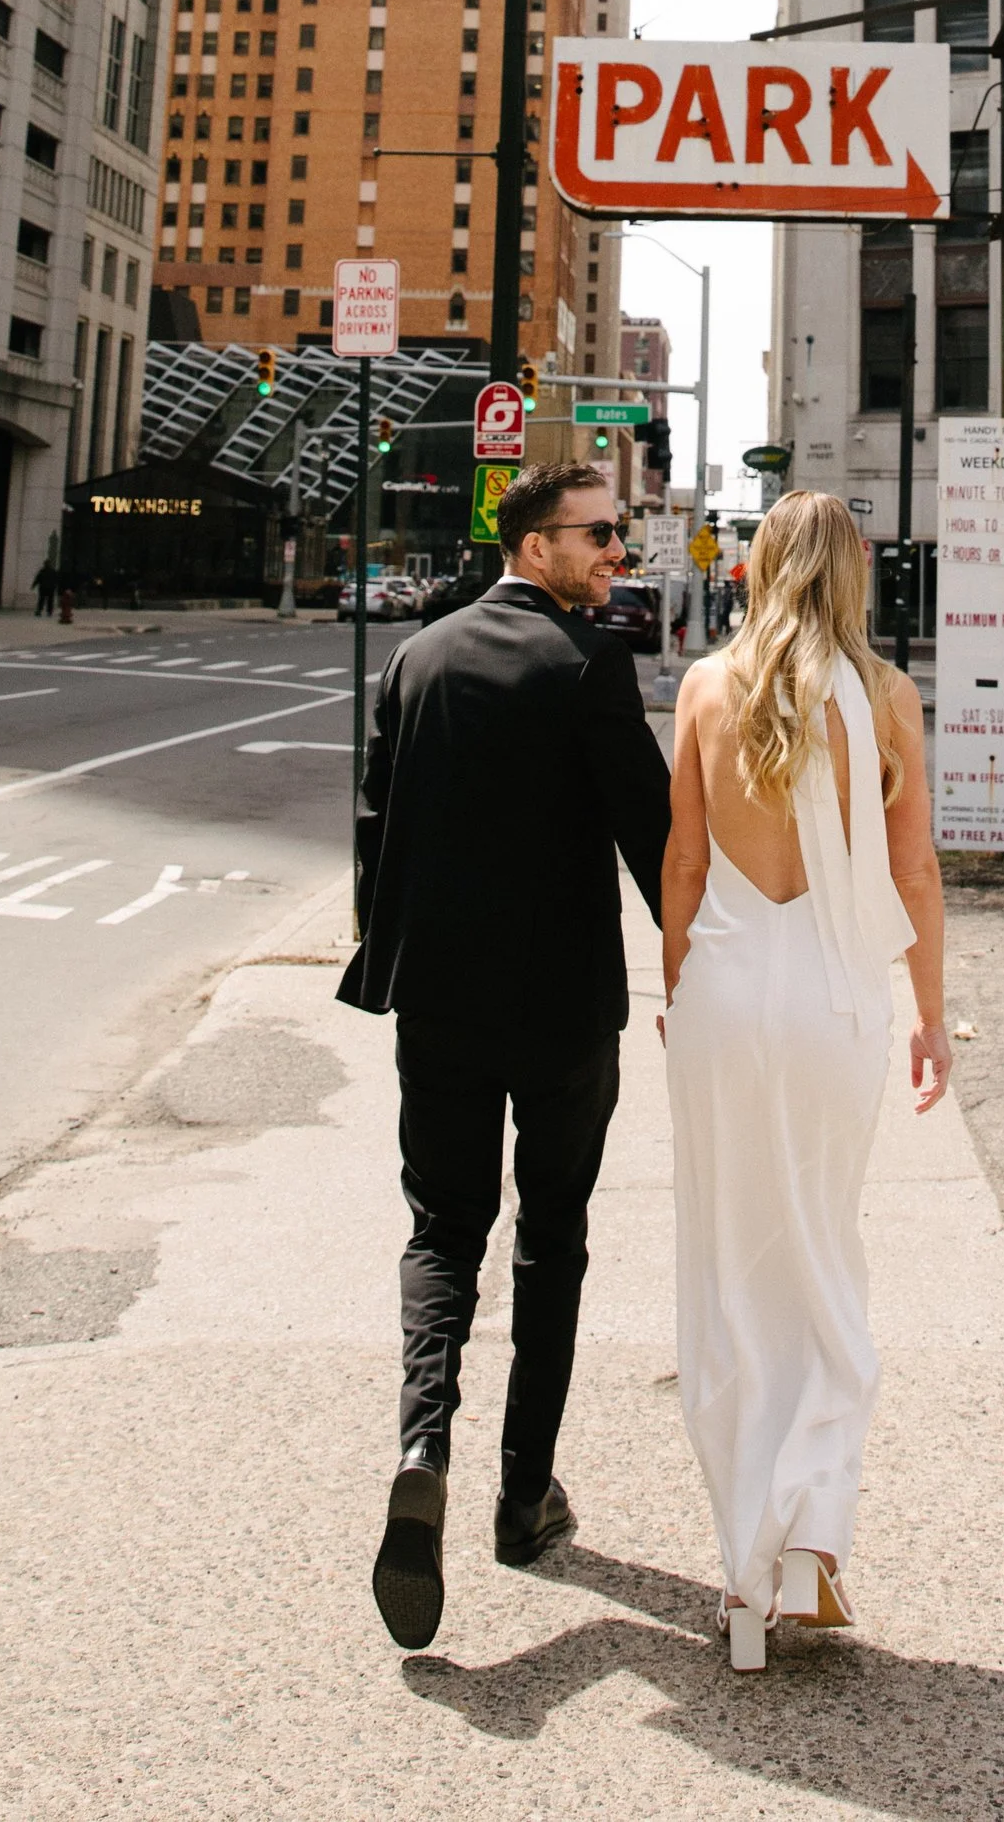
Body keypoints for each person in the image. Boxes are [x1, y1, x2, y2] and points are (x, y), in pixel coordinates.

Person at [338, 457, 670, 1653]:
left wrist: (384, 955)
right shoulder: (587, 664)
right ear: (536, 546)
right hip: (562, 1007)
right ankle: (523, 1495)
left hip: (435, 998)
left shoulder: (415, 657)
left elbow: (374, 824)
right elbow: (656, 836)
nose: (617, 555)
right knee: (551, 1239)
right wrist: (702, 968)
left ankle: (421, 1443)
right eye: (601, 537)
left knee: (440, 1231)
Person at [661, 490, 949, 1671]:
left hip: (728, 991)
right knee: (824, 1258)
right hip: (834, 1002)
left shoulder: (703, 688)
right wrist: (932, 1013)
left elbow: (683, 858)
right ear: (853, 575)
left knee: (728, 1265)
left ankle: (742, 1570)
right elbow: (915, 868)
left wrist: (677, 991)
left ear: (759, 567)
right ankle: (808, 1542)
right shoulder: (885, 698)